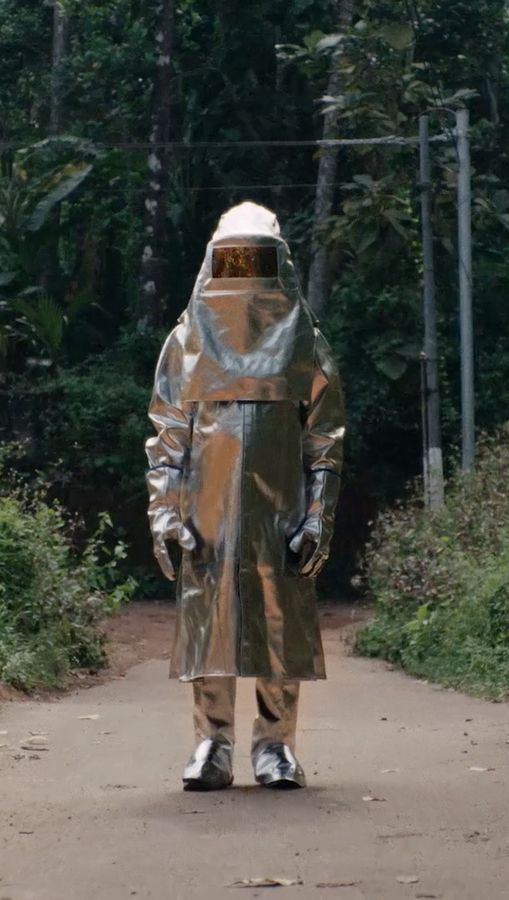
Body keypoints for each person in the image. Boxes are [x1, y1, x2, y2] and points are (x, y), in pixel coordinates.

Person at [143, 201, 347, 791]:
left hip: (278, 508)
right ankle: (212, 742)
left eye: (254, 260)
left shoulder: (303, 340)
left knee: (279, 625)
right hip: (206, 512)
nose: (244, 276)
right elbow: (167, 434)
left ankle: (276, 744)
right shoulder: (186, 340)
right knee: (210, 624)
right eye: (234, 261)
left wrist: (317, 515)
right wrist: (164, 510)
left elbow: (325, 438)